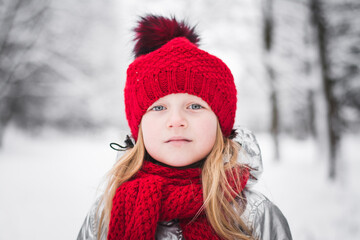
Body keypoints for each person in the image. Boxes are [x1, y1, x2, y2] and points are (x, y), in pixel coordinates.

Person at [77, 15, 292, 240]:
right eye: (159, 108)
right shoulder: (107, 214)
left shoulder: (255, 215)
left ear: (221, 125)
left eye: (194, 106)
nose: (176, 120)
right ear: (138, 128)